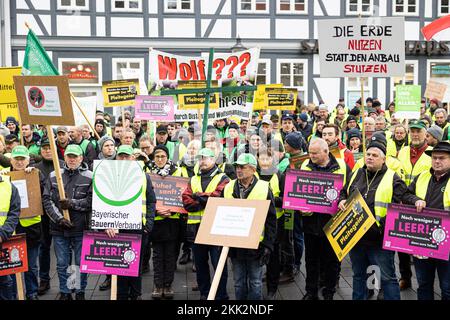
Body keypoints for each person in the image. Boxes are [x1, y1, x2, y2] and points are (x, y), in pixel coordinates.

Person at [338, 135, 408, 300]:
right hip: (356, 237)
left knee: (387, 278)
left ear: (383, 160)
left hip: (379, 240)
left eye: (375, 155)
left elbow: (399, 206)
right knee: (359, 276)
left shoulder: (393, 178)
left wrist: (380, 228)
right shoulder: (356, 173)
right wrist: (342, 199)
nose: (369, 157)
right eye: (368, 154)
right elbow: (344, 190)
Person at [300, 139, 350, 300]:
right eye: (309, 152)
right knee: (310, 260)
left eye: (315, 153)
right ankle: (311, 291)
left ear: (326, 152)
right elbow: (299, 189)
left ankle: (329, 292)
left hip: (333, 222)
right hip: (311, 223)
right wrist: (300, 206)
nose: (311, 156)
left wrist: (342, 200)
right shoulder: (305, 165)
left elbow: (351, 189)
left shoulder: (342, 166)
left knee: (331, 261)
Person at [105, 145, 156, 300]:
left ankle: (135, 295)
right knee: (119, 264)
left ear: (133, 158)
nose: (124, 159)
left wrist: (148, 224)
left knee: (135, 264)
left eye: (127, 156)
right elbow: (102, 202)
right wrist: (107, 224)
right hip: (116, 228)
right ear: (116, 157)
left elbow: (151, 201)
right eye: (121, 156)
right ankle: (120, 295)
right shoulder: (107, 175)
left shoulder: (143, 176)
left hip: (138, 227)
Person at [223, 153, 276, 300]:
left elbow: (271, 220)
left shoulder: (264, 188)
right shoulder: (228, 188)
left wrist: (268, 245)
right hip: (235, 245)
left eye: (242, 167)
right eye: (237, 167)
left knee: (255, 282)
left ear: (253, 170)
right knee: (238, 283)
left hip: (256, 245)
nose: (238, 170)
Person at [42, 145, 92, 300]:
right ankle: (65, 292)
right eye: (69, 156)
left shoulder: (90, 176)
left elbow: (91, 202)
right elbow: (47, 200)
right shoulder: (53, 175)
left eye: (75, 156)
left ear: (81, 158)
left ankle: (78, 291)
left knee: (78, 263)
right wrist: (59, 218)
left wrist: (72, 203)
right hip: (58, 228)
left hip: (80, 227)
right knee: (62, 263)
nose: (72, 159)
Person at [402, 141, 450, 300]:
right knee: (423, 285)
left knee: (447, 288)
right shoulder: (422, 176)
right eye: (434, 158)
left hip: (447, 243)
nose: (437, 161)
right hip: (423, 241)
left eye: (442, 158)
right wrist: (415, 200)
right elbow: (406, 195)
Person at [182, 148, 230, 300]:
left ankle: (221, 295)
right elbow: (186, 201)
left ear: (213, 159)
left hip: (216, 228)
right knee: (200, 266)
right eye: (200, 158)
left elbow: (219, 197)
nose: (202, 161)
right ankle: (205, 293)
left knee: (219, 265)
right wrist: (203, 200)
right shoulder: (193, 179)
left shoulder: (223, 178)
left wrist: (198, 197)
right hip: (196, 229)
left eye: (205, 158)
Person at [1, 146, 43, 300]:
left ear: (28, 160)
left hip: (31, 228)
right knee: (12, 267)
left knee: (31, 266)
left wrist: (35, 175)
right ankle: (15, 294)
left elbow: (43, 194)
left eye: (22, 159)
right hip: (11, 230)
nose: (19, 162)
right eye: (16, 159)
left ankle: (32, 293)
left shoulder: (35, 173)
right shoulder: (4, 176)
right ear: (10, 160)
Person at [31, 138, 64, 296]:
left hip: (62, 214)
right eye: (44, 148)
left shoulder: (64, 164)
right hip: (43, 215)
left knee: (65, 251)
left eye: (50, 147)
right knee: (44, 248)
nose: (47, 151)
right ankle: (44, 280)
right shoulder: (34, 168)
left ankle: (69, 282)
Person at [149, 145, 182, 299]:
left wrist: (172, 210)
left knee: (170, 255)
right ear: (153, 158)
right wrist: (157, 211)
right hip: (156, 219)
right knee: (156, 255)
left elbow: (182, 195)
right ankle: (158, 285)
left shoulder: (178, 171)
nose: (160, 159)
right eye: (157, 157)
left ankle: (167, 285)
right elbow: (146, 197)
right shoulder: (148, 173)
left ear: (167, 157)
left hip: (172, 219)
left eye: (163, 156)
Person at [0, 170, 21, 300]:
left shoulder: (9, 186)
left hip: (4, 240)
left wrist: (2, 234)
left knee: (5, 282)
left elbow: (14, 213)